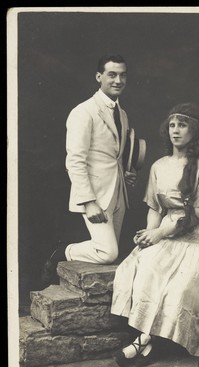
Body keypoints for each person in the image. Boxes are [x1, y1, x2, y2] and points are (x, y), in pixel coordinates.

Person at [111, 102, 199, 367]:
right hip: (164, 232)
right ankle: (147, 343)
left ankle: (142, 343)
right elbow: (154, 207)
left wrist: (160, 233)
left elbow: (196, 214)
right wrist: (151, 234)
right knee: (146, 267)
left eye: (183, 125)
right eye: (172, 125)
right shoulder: (158, 166)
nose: (176, 131)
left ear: (194, 131)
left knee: (180, 286)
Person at [41, 54, 136, 286]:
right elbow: (75, 160)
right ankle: (63, 253)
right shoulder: (83, 111)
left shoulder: (122, 114)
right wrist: (88, 200)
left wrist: (125, 175)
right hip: (95, 194)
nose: (118, 80)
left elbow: (111, 157)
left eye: (122, 75)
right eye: (112, 74)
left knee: (109, 258)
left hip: (117, 194)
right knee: (108, 253)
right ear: (99, 77)